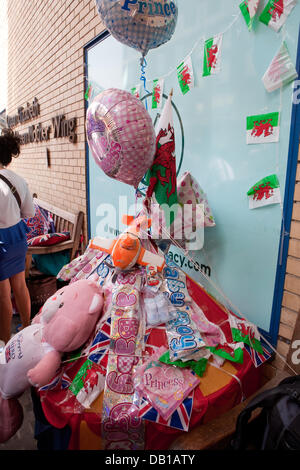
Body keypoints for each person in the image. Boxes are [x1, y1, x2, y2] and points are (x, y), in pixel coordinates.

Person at [0, 130, 35, 344]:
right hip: (17, 237)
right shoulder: (19, 181)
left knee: (3, 294)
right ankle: (27, 328)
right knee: (20, 285)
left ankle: (4, 342)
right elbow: (29, 213)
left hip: (1, 242)